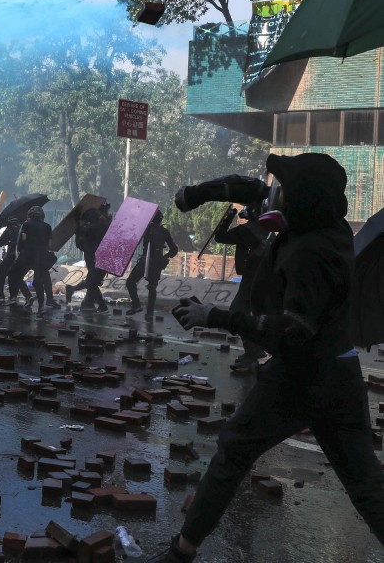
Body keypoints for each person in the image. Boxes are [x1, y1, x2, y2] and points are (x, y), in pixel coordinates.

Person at [151, 153, 384, 562]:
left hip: (301, 375)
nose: (272, 191)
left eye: (284, 186)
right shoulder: (325, 229)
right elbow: (252, 190)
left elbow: (294, 329)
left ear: (302, 198)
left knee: (234, 450)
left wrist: (215, 315)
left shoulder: (310, 252)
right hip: (340, 374)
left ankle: (181, 552)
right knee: (365, 486)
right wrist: (199, 195)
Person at [212, 203, 270, 370]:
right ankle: (254, 350)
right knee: (251, 313)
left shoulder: (246, 230)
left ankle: (253, 353)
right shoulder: (265, 230)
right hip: (263, 277)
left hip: (252, 278)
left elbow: (220, 237)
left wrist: (229, 217)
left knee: (237, 311)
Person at [125, 208, 177, 321]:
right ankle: (149, 313)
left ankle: (137, 305)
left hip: (147, 261)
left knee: (130, 282)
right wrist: (164, 257)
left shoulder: (148, 229)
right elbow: (174, 250)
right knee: (152, 287)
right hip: (156, 262)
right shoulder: (164, 231)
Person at [65, 203, 111, 314]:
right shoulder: (98, 226)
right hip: (95, 256)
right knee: (93, 281)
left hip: (94, 256)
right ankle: (94, 303)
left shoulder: (90, 227)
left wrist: (77, 220)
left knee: (93, 281)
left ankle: (91, 303)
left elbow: (79, 235)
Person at [13, 206, 59, 316]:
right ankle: (41, 307)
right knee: (38, 282)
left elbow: (23, 239)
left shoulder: (26, 225)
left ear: (30, 215)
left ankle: (28, 296)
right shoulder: (47, 226)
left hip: (28, 256)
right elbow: (50, 245)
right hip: (42, 257)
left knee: (16, 276)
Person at [0, 216, 21, 302]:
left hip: (11, 256)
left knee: (1, 272)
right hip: (22, 256)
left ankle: (0, 295)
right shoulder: (22, 229)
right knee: (14, 275)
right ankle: (13, 295)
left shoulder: (9, 230)